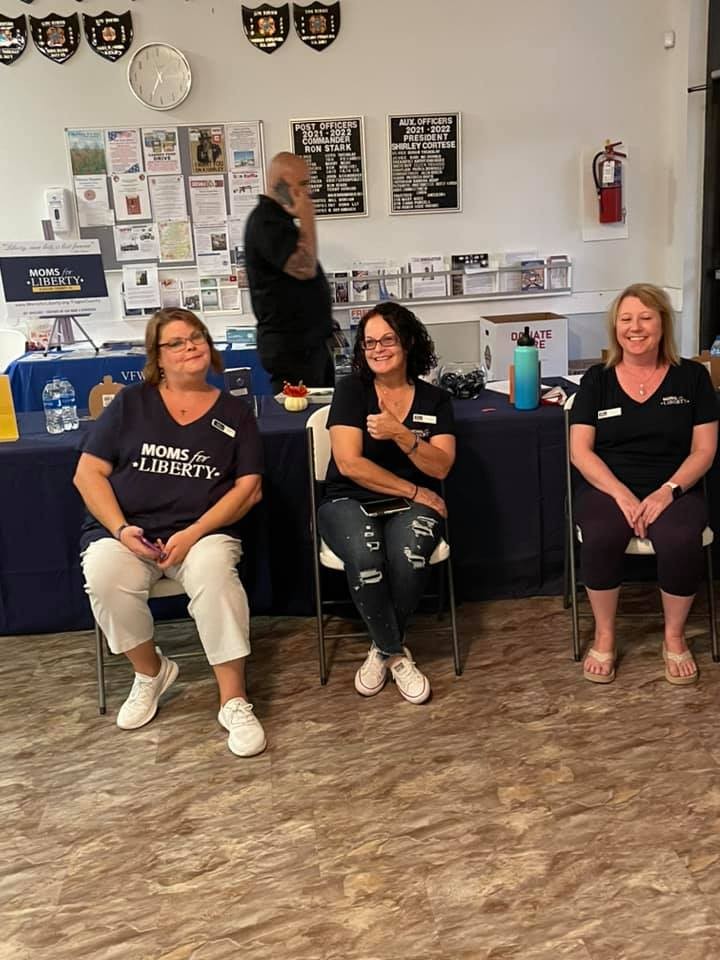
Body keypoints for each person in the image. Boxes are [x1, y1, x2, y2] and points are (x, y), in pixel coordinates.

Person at [74, 308, 266, 757]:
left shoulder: (236, 411)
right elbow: (87, 475)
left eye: (197, 337)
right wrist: (121, 529)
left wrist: (194, 532)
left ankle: (234, 700)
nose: (190, 346)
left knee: (216, 575)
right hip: (130, 534)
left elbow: (249, 489)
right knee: (102, 573)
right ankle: (151, 672)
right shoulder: (130, 403)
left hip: (202, 534)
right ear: (157, 356)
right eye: (176, 342)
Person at [570, 283, 718, 685]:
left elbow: (704, 451)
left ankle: (674, 637)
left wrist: (667, 491)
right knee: (601, 534)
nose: (635, 328)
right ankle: (605, 635)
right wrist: (620, 493)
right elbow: (580, 451)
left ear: (662, 324)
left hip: (675, 487)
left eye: (645, 318)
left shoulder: (692, 378)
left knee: (681, 538)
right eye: (626, 319)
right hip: (607, 487)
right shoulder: (597, 380)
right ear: (615, 327)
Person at [318, 302, 456, 704]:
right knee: (365, 556)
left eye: (387, 340)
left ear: (408, 342)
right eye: (369, 342)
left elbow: (442, 466)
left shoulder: (435, 400)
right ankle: (395, 652)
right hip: (348, 498)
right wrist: (413, 490)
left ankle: (382, 649)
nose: (377, 349)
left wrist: (400, 433)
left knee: (409, 555)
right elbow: (349, 463)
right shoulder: (351, 391)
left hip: (412, 505)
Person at [244, 151, 334, 393]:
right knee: (300, 412)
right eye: (302, 184)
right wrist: (307, 216)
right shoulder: (265, 222)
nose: (307, 191)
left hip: (307, 346)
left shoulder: (280, 221)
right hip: (292, 349)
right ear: (281, 184)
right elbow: (305, 267)